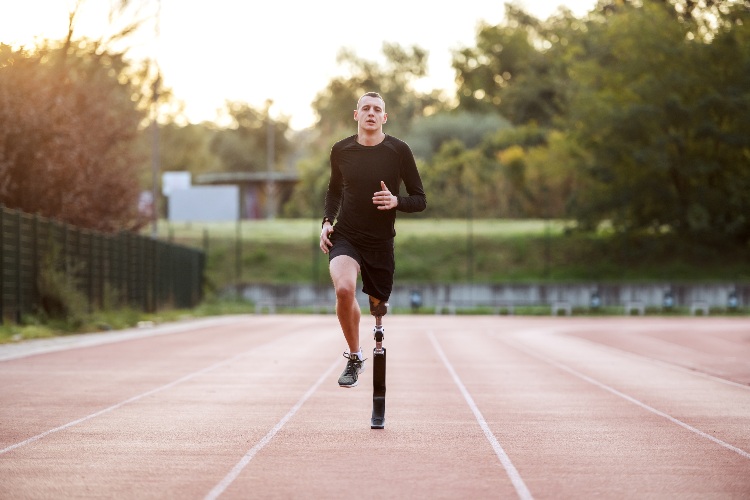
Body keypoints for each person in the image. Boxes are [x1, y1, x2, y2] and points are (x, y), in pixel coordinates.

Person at [320, 91, 427, 388]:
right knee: (344, 289)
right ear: (356, 115)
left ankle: (378, 326)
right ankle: (355, 356)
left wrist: (396, 201)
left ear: (384, 117)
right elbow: (334, 191)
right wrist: (327, 222)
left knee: (377, 307)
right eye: (365, 108)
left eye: (376, 109)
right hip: (347, 236)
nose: (370, 113)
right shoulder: (340, 150)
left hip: (380, 242)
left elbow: (420, 199)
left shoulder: (398, 151)